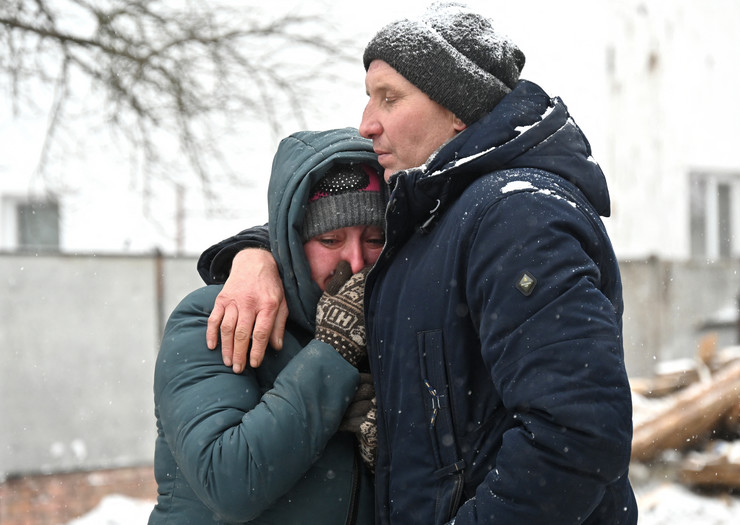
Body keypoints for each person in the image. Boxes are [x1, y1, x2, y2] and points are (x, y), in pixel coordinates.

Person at [196, 3, 638, 523]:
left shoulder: (517, 215)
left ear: (458, 110)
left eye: (390, 98)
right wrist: (257, 254)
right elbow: (318, 221)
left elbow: (576, 429)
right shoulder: (440, 213)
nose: (366, 124)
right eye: (368, 98)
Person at [149, 127, 385, 524]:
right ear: (293, 240)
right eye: (330, 240)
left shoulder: (388, 328)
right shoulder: (218, 315)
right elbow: (229, 483)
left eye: (375, 238)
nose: (356, 261)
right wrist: (331, 354)